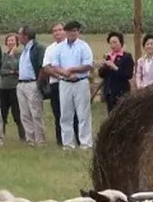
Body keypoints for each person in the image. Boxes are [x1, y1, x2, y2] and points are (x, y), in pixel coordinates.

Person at [50, 20, 94, 150]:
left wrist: (72, 70)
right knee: (65, 115)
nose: (73, 33)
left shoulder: (84, 46)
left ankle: (85, 143)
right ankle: (67, 144)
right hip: (64, 83)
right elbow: (55, 65)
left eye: (75, 31)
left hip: (80, 82)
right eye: (70, 31)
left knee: (83, 114)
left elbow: (88, 65)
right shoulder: (60, 47)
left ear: (78, 32)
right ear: (66, 32)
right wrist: (65, 72)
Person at [42, 22, 78, 146]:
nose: (57, 32)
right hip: (56, 84)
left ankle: (77, 139)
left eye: (60, 30)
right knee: (58, 113)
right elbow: (46, 67)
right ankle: (61, 141)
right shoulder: (50, 49)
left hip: (70, 84)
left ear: (65, 31)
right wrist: (60, 75)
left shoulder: (72, 46)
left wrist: (67, 75)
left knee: (73, 113)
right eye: (54, 31)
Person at [15, 25, 47, 146]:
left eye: (19, 34)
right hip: (21, 83)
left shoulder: (37, 48)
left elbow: (42, 66)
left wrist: (38, 83)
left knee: (36, 113)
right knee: (24, 114)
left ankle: (40, 140)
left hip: (32, 83)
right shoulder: (24, 50)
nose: (18, 37)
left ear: (25, 36)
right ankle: (30, 139)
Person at [0, 33, 26, 141]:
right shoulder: (3, 55)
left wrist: (12, 56)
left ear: (17, 42)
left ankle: (23, 137)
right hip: (3, 87)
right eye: (9, 40)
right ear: (6, 42)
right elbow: (0, 70)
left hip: (15, 87)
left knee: (17, 114)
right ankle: (0, 136)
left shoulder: (20, 54)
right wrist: (11, 71)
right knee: (2, 113)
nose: (11, 42)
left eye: (13, 40)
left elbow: (17, 67)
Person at [98, 31, 134, 114]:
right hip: (109, 92)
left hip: (121, 92)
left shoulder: (126, 57)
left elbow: (128, 75)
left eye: (115, 42)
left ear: (121, 42)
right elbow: (101, 74)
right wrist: (104, 67)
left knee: (121, 115)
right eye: (110, 43)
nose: (112, 45)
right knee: (110, 116)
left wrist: (115, 67)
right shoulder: (108, 56)